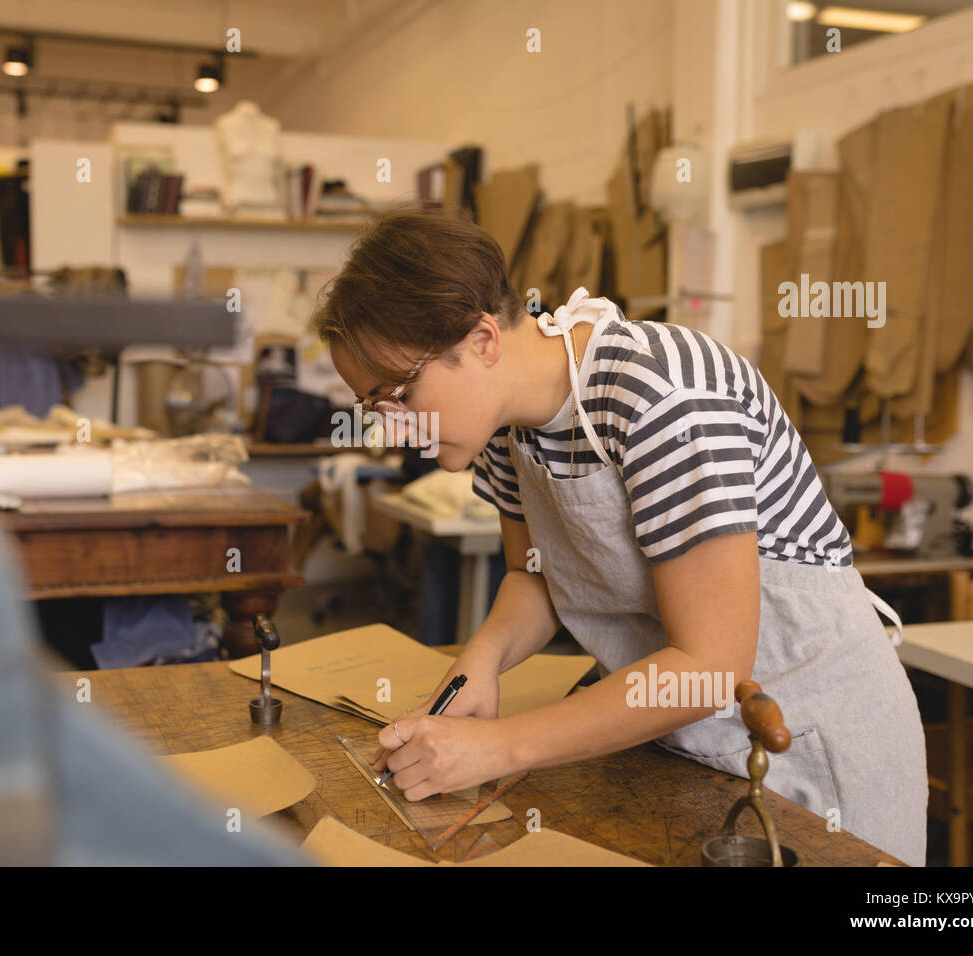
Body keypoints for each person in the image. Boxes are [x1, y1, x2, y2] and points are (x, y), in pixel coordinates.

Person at [311, 205, 928, 866]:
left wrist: (500, 746)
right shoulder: (503, 426)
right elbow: (536, 577)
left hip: (802, 743)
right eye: (372, 404)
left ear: (484, 340)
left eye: (399, 393)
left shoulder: (659, 395)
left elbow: (712, 666)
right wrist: (481, 661)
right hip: (673, 743)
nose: (391, 425)